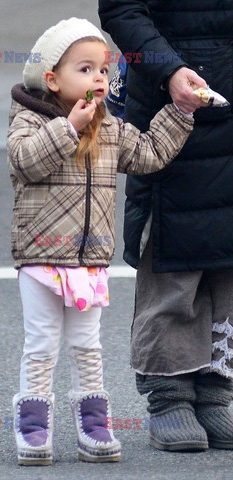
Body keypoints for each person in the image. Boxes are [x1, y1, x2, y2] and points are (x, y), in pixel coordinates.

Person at [6, 17, 195, 465]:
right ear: (52, 78)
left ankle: (94, 426)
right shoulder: (29, 117)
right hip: (40, 255)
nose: (98, 79)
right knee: (42, 344)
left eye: (104, 71)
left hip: (89, 260)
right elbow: (23, 162)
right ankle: (33, 430)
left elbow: (148, 153)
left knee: (88, 346)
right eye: (85, 69)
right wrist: (68, 127)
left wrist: (181, 112)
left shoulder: (108, 127)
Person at [99, 0, 233, 452]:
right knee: (172, 251)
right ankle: (169, 396)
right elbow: (121, 9)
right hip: (170, 100)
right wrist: (169, 69)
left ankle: (216, 393)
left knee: (228, 258)